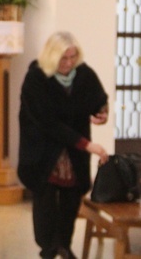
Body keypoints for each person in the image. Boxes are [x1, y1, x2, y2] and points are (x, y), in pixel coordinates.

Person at [18, 31, 110, 259]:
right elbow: (47, 122)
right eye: (63, 58)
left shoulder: (83, 74)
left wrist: (102, 112)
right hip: (43, 150)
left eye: (72, 57)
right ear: (51, 56)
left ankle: (64, 245)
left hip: (73, 152)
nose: (69, 63)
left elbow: (99, 98)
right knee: (45, 200)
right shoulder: (36, 77)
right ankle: (48, 248)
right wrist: (88, 145)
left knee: (70, 200)